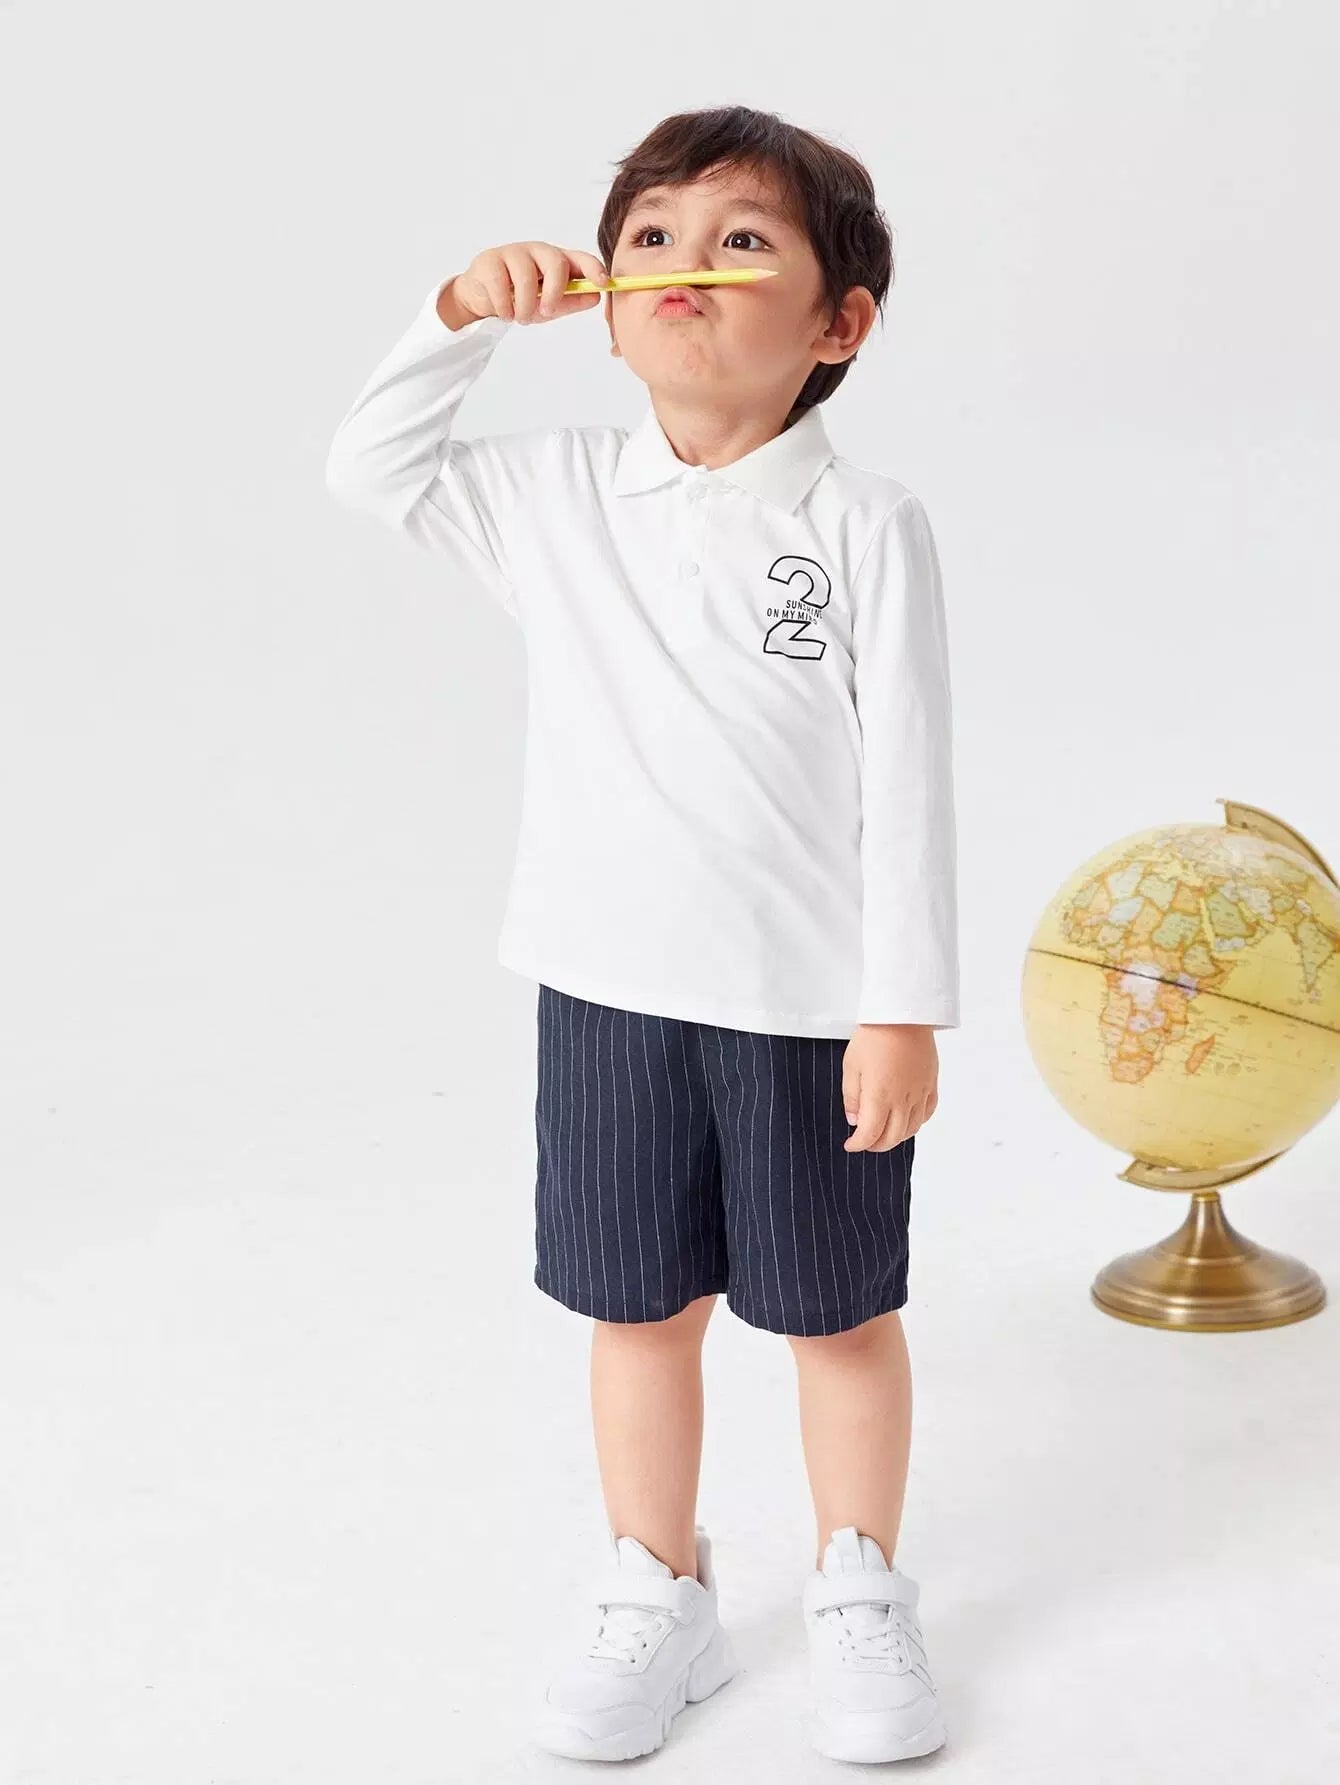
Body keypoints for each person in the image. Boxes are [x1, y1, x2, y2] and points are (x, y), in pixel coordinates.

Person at [325, 104, 959, 1766]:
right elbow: (371, 467)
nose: (687, 265)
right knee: (638, 1312)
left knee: (836, 1316)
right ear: (607, 303)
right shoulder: (550, 496)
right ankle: (656, 1584)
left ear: (839, 324)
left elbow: (911, 779)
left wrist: (903, 1006)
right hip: (605, 992)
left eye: (742, 240)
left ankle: (859, 1582)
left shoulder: (865, 524)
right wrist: (458, 316)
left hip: (811, 1008)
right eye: (654, 237)